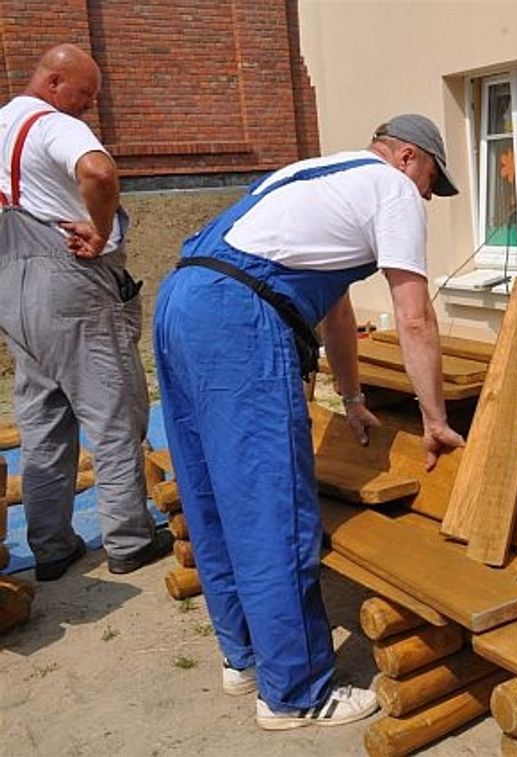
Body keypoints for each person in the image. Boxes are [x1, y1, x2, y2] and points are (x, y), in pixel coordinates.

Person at [152, 114, 465, 730]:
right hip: (240, 318)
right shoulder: (393, 190)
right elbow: (414, 315)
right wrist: (434, 417)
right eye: (433, 178)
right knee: (272, 506)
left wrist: (350, 396)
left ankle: (243, 658)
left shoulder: (312, 175)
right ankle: (296, 693)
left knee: (214, 494)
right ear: (407, 157)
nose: (429, 194)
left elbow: (334, 311)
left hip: (182, 301)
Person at [0, 44, 171, 582]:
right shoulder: (52, 125)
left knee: (43, 421)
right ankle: (129, 538)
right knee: (114, 409)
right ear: (53, 81)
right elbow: (98, 172)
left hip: (12, 288)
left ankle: (51, 547)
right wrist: (99, 231)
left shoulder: (2, 124)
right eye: (85, 94)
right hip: (70, 284)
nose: (89, 108)